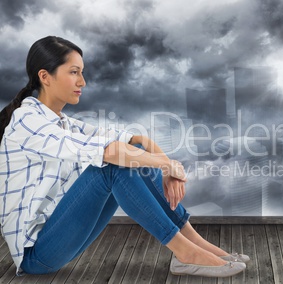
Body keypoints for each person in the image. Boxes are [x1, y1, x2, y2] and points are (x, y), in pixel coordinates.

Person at [0, 36, 249, 278]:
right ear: (45, 76)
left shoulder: (64, 123)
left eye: (82, 72)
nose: (83, 82)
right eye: (74, 72)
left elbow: (136, 140)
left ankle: (195, 244)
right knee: (114, 165)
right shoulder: (27, 120)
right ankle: (186, 253)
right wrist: (168, 165)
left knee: (133, 156)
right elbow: (110, 152)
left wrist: (165, 167)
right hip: (36, 254)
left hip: (62, 235)